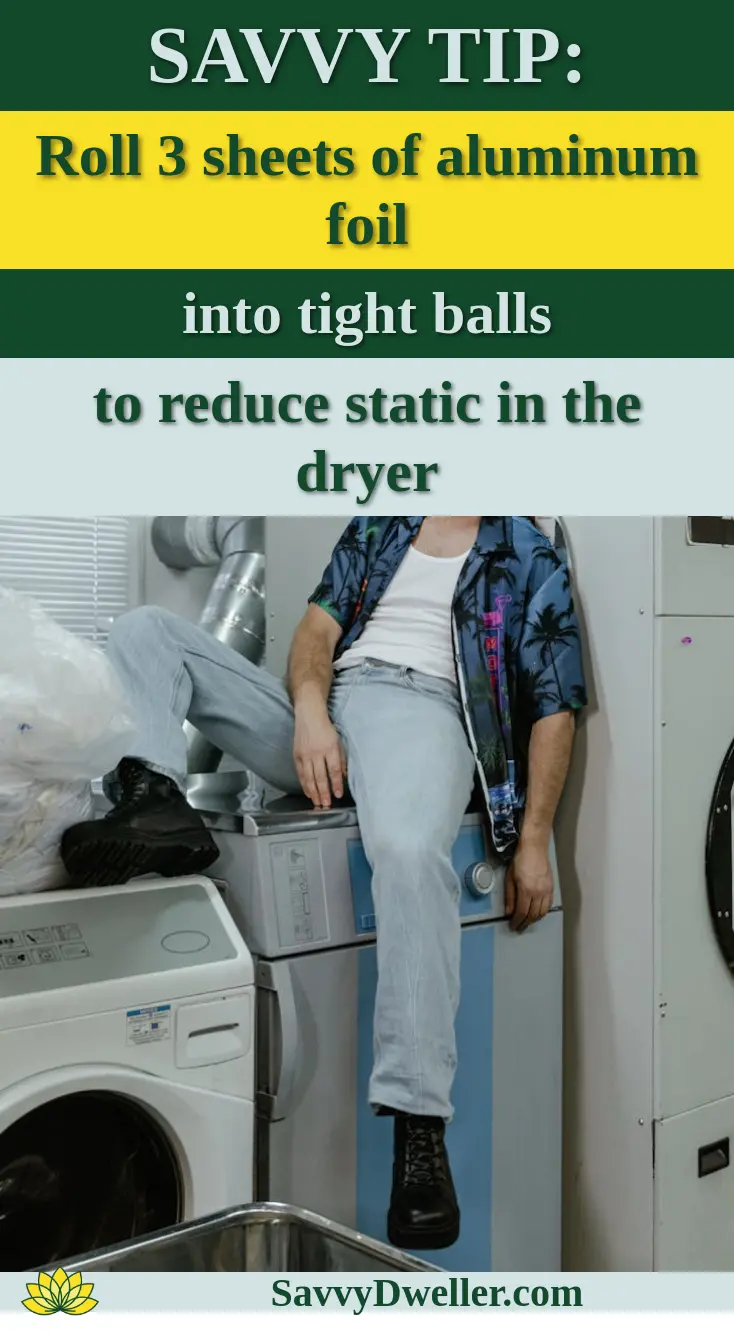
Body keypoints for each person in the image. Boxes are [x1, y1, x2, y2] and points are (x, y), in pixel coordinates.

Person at [61, 515, 586, 1250]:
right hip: (329, 711)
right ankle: (152, 798)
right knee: (148, 630)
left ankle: (419, 1124)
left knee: (406, 851)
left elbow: (555, 707)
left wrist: (534, 840)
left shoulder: (528, 554)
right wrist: (311, 715)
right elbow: (315, 635)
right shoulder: (384, 523)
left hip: (424, 709)